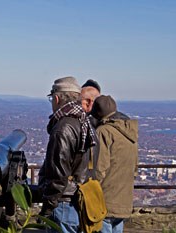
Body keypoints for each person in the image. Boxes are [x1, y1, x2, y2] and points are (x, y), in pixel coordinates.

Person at [38, 76, 98, 233]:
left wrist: (47, 208)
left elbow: (58, 174)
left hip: (63, 203)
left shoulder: (63, 128)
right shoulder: (83, 121)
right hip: (77, 198)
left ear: (57, 98)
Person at [90, 95, 138, 233]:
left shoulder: (104, 132)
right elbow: (135, 167)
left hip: (106, 200)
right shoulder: (130, 132)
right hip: (124, 200)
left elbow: (99, 168)